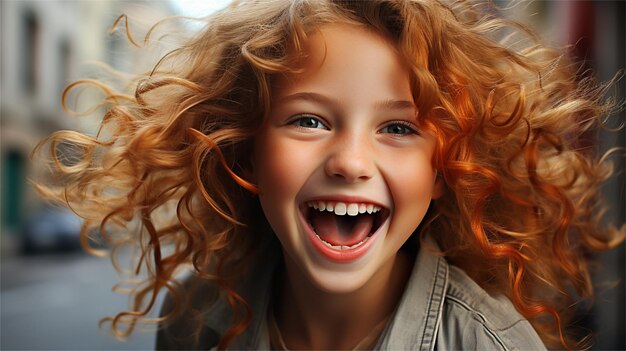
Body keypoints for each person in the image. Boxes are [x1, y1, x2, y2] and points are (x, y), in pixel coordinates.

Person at [34, 0, 624, 349]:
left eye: (398, 128)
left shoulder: (491, 344)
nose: (349, 161)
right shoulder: (197, 321)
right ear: (245, 154)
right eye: (310, 120)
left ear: (447, 168)